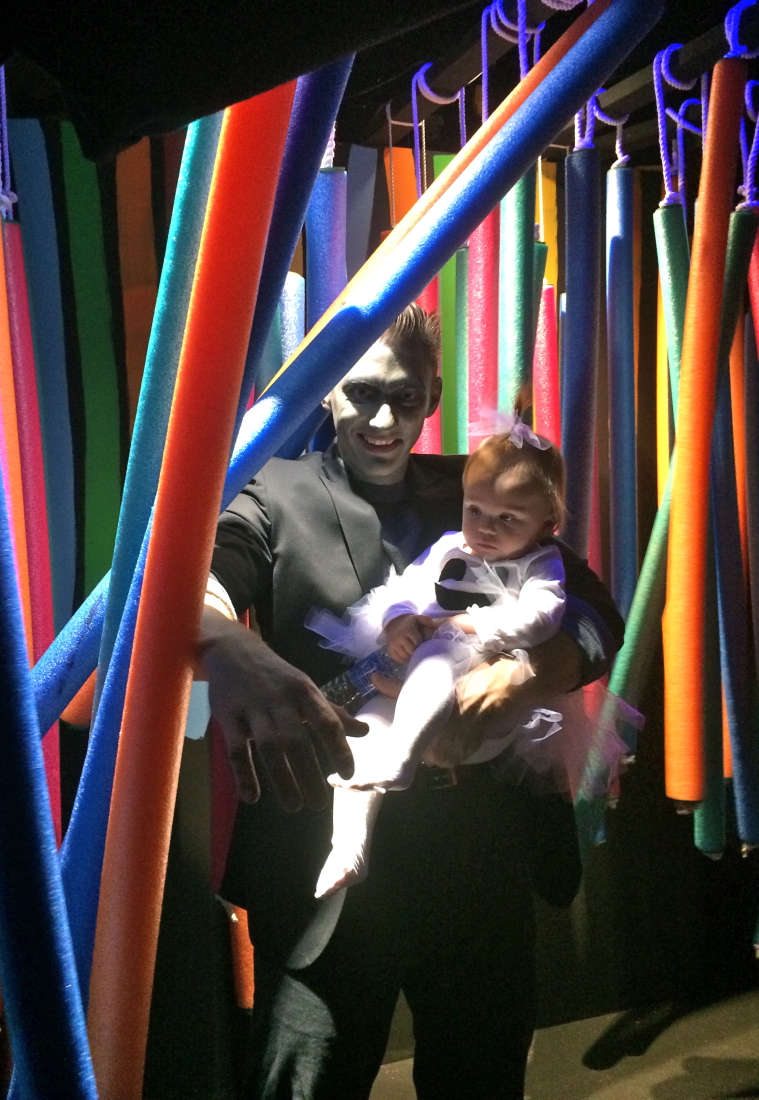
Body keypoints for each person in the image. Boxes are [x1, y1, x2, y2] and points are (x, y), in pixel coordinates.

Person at [200, 304, 624, 1100]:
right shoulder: (271, 490)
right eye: (362, 393)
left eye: (403, 397)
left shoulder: (481, 485)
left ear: (431, 396)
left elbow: (597, 614)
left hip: (481, 851)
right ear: (328, 390)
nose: (382, 419)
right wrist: (231, 648)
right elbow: (200, 585)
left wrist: (525, 677)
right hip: (331, 862)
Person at [310, 418, 582, 900]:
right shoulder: (449, 545)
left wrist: (469, 625)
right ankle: (350, 845)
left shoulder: (541, 563)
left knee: (435, 657)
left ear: (547, 525)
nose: (486, 527)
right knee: (365, 727)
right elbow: (405, 587)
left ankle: (402, 759)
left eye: (508, 519)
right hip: (418, 680)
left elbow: (543, 617)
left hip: (482, 691)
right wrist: (398, 621)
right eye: (475, 510)